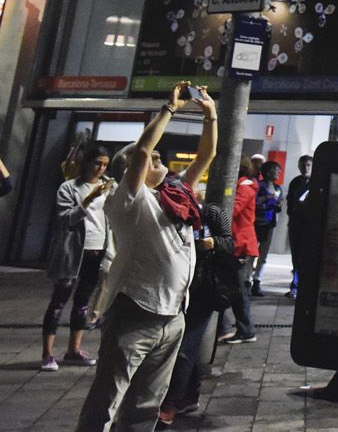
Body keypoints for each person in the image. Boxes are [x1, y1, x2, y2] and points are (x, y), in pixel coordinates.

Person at [75, 82, 217, 432]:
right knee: (108, 397)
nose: (158, 159)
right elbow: (140, 152)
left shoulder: (176, 195)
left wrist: (211, 115)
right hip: (137, 310)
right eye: (154, 159)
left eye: (159, 157)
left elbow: (207, 156)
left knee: (147, 403)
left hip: (173, 316)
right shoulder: (128, 200)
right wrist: (169, 109)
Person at [159, 198, 234, 425]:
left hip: (203, 291)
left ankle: (170, 401)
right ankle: (190, 396)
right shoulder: (169, 217)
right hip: (176, 288)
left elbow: (229, 243)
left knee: (185, 347)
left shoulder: (211, 212)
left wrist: (212, 243)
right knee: (182, 346)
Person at [43, 145, 113, 370]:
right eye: (97, 163)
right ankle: (47, 354)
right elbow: (66, 219)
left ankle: (74, 350)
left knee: (83, 303)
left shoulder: (108, 186)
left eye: (104, 164)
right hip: (73, 251)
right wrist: (88, 200)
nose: (100, 168)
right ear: (86, 163)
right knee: (59, 301)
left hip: (97, 248)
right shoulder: (69, 188)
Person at [219, 161, 258, 344]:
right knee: (233, 286)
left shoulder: (244, 189)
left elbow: (231, 210)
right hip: (237, 243)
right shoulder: (245, 187)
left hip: (240, 244)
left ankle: (246, 330)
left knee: (239, 288)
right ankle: (230, 327)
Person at [250, 160, 282, 296]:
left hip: (269, 223)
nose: (278, 173)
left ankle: (257, 280)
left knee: (263, 254)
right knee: (251, 253)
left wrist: (277, 205)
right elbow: (255, 201)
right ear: (268, 172)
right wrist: (268, 198)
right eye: (276, 170)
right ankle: (246, 279)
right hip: (256, 222)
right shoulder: (259, 186)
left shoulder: (278, 188)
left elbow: (278, 205)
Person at [284, 154, 312, 299]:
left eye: (308, 165)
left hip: (308, 225)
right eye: (302, 165)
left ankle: (302, 286)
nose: (305, 168)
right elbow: (290, 202)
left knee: (305, 256)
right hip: (296, 223)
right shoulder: (296, 182)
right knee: (296, 257)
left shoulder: (316, 182)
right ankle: (295, 286)